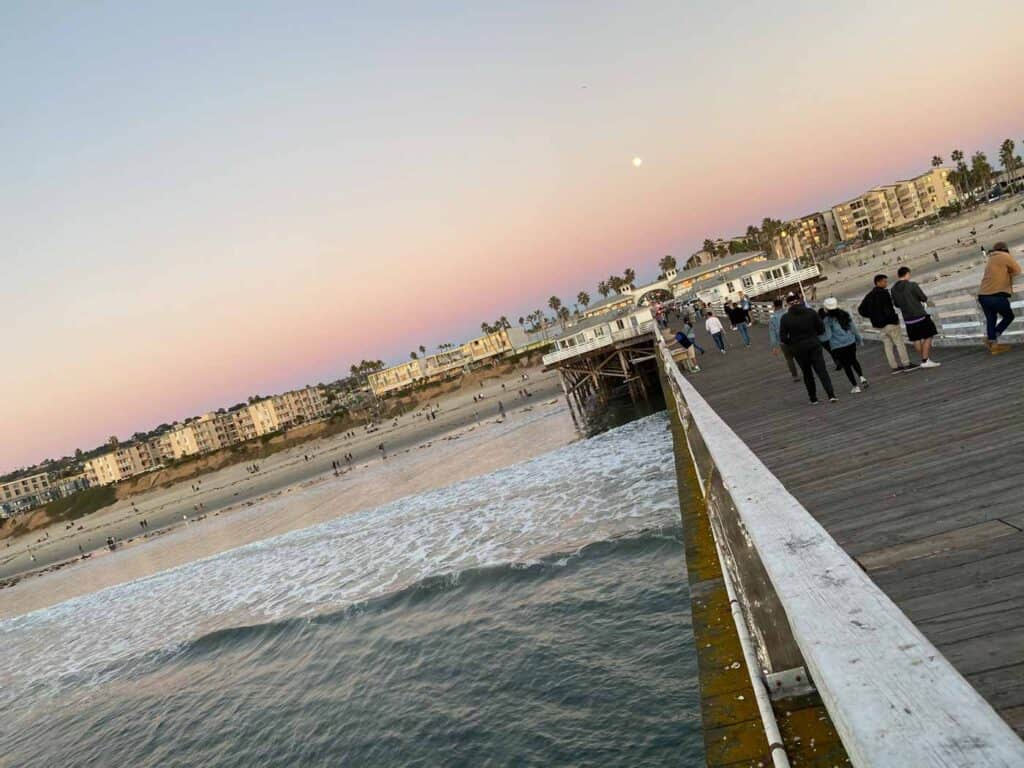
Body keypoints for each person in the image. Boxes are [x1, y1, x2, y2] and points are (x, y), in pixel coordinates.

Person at [779, 292, 836, 404]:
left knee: (807, 373)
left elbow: (783, 337)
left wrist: (792, 342)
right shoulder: (810, 312)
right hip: (814, 344)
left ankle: (813, 398)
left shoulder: (785, 318)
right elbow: (821, 329)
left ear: (788, 304)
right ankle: (831, 395)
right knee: (821, 371)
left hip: (798, 348)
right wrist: (814, 335)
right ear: (799, 300)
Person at [858, 274, 915, 374]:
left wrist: (872, 315)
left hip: (878, 325)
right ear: (878, 282)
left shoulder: (869, 295)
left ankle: (894, 367)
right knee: (899, 343)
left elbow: (861, 310)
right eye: (884, 281)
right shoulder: (884, 293)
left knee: (887, 346)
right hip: (890, 322)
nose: (886, 283)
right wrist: (893, 318)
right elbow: (888, 309)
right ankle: (906, 363)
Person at [891, 266, 940, 368]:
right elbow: (923, 298)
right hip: (919, 315)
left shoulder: (893, 289)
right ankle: (925, 360)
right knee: (929, 335)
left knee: (916, 339)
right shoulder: (912, 285)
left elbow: (896, 304)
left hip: (908, 319)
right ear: (907, 274)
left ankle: (925, 360)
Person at [977, 241, 1020, 355]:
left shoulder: (991, 258)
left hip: (983, 295)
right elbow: (1017, 270)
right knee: (1009, 316)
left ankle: (993, 343)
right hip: (996, 295)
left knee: (991, 319)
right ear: (1005, 249)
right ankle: (993, 336)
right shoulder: (1005, 256)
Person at [822, 298, 869, 393]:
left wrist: (818, 338)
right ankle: (862, 377)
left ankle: (855, 387)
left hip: (838, 346)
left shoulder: (827, 320)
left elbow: (828, 336)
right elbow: (853, 328)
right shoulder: (845, 314)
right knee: (854, 360)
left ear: (826, 308)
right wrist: (859, 339)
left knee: (847, 366)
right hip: (850, 342)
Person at [768, 298, 799, 381]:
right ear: (782, 305)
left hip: (782, 342)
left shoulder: (772, 318)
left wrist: (774, 347)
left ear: (774, 306)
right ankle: (806, 371)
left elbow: (772, 333)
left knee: (789, 359)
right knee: (799, 356)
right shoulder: (788, 313)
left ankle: (795, 375)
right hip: (793, 338)